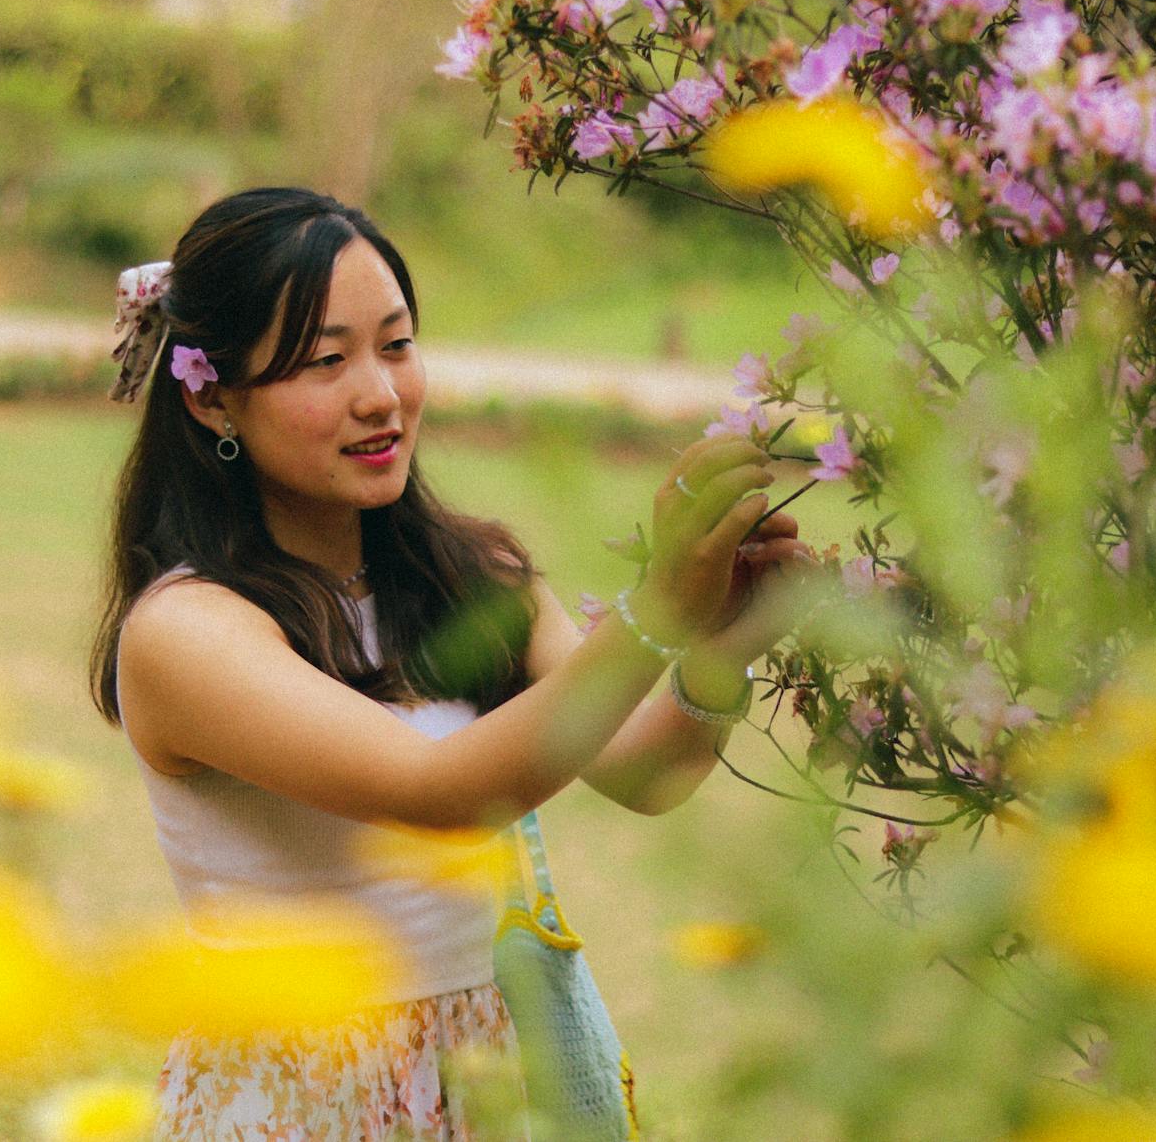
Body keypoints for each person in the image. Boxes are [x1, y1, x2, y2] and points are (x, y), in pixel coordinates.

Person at [88, 186, 811, 1141]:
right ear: (212, 392)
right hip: (301, 1097)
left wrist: (725, 643)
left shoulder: (474, 575)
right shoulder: (185, 632)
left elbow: (645, 767)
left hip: (490, 1079)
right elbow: (435, 791)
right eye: (324, 360)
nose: (379, 394)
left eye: (395, 344)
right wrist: (656, 611)